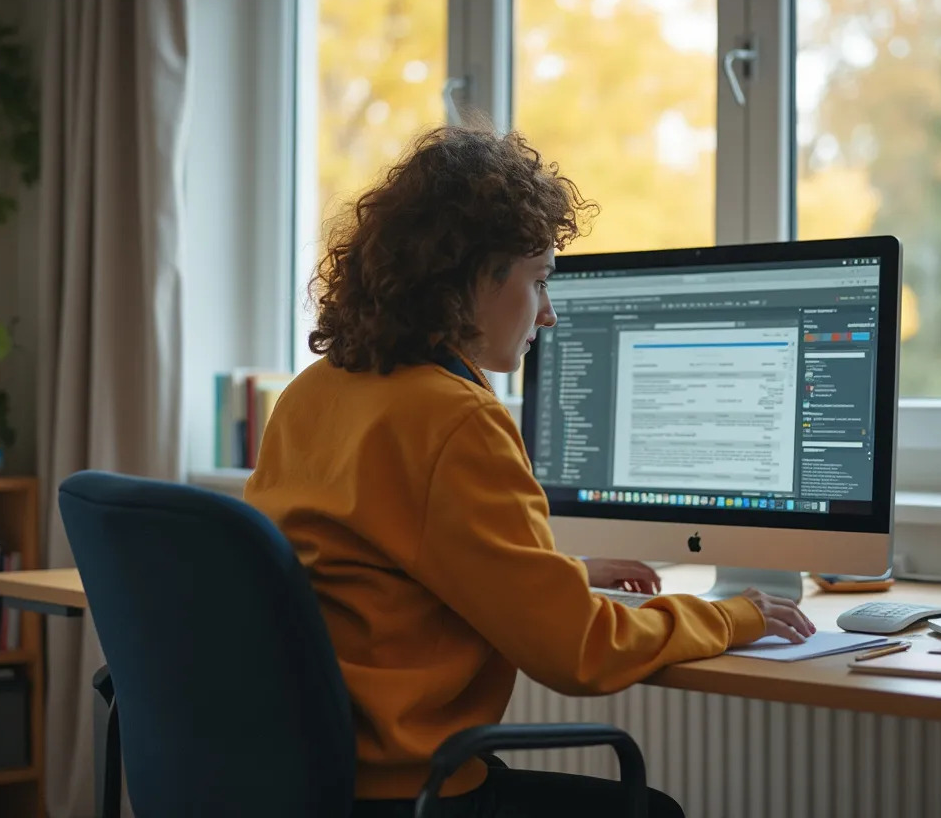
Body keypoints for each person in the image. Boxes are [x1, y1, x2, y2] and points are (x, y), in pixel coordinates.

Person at [243, 124, 815, 817]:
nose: (547, 314)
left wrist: (561, 571)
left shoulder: (317, 390)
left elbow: (390, 569)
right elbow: (579, 652)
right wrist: (731, 618)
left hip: (304, 771)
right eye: (539, 280)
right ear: (472, 280)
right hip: (411, 787)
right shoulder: (456, 418)